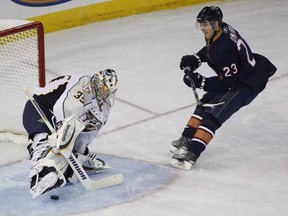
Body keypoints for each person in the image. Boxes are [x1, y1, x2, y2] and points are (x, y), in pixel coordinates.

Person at [169, 6, 277, 170]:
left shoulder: (224, 48)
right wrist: (196, 59)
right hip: (241, 76)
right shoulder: (221, 30)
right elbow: (210, 49)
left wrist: (201, 81)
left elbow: (228, 83)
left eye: (205, 24)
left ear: (215, 23)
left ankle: (191, 155)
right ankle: (187, 138)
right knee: (205, 103)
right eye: (201, 24)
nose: (202, 29)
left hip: (246, 85)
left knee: (214, 114)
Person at [22, 69, 118, 198]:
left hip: (63, 118)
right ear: (97, 83)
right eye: (104, 89)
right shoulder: (84, 84)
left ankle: (72, 162)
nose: (105, 94)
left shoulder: (104, 105)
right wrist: (60, 134)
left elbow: (88, 134)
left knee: (69, 149)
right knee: (44, 142)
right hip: (39, 107)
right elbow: (63, 109)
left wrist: (78, 155)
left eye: (108, 92)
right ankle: (39, 174)